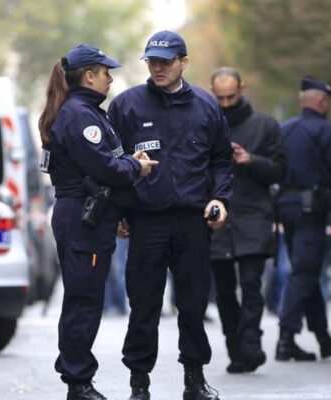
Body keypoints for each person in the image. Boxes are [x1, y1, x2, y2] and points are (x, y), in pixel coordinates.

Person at [108, 30, 233, 400]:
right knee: (143, 305)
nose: (158, 67)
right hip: (146, 222)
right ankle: (139, 385)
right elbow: (111, 165)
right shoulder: (128, 106)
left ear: (184, 62)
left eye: (165, 61)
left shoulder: (206, 107)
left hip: (193, 223)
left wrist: (220, 199)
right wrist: (119, 211)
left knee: (193, 305)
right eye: (152, 61)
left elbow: (221, 161)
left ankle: (194, 380)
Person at [38, 44, 157, 400]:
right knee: (83, 301)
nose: (110, 79)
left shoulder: (86, 112)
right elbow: (104, 167)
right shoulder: (80, 115)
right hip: (82, 219)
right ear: (89, 75)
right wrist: (138, 166)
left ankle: (79, 380)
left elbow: (103, 162)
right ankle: (78, 382)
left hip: (90, 216)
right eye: (106, 73)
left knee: (86, 298)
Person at [208, 67, 285, 373]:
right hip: (217, 218)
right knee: (224, 291)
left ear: (242, 88)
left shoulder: (265, 126)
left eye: (231, 96)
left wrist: (249, 160)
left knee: (252, 284)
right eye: (220, 97)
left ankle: (251, 342)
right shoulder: (206, 125)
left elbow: (281, 170)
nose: (226, 103)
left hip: (253, 214)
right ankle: (235, 349)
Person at [275, 76, 331, 363]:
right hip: (312, 212)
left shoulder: (283, 131)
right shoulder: (329, 134)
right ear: (322, 102)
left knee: (304, 271)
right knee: (305, 273)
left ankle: (322, 336)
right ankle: (286, 337)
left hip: (286, 209)